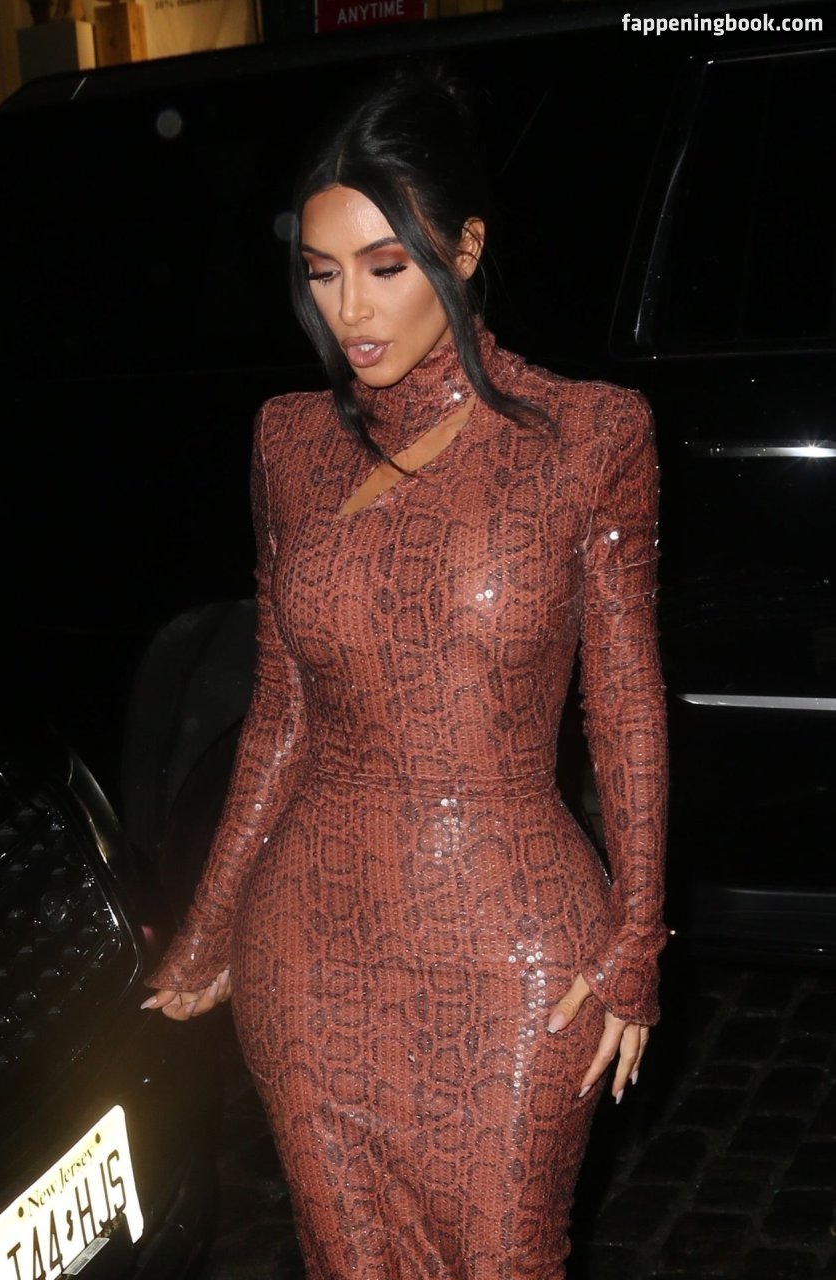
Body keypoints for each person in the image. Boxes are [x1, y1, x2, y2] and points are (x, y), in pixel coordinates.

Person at [143, 64, 668, 1280]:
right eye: (321, 273)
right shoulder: (288, 441)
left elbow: (626, 705)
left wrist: (636, 939)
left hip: (515, 948)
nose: (350, 310)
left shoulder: (588, 435)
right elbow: (280, 712)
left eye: (385, 266)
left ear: (465, 249)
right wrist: (209, 928)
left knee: (507, 1255)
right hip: (310, 945)